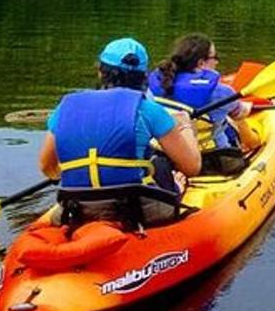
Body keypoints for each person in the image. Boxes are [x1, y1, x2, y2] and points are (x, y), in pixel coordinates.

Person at [38, 37, 201, 225]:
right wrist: (185, 126)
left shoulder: (65, 108)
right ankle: (176, 189)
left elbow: (46, 167)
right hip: (135, 211)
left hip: (76, 208)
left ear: (100, 72)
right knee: (161, 164)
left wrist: (83, 180)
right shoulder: (149, 109)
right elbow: (192, 167)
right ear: (143, 76)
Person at [147, 33, 258, 155]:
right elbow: (240, 114)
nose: (217, 62)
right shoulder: (221, 92)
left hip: (164, 154)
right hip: (213, 157)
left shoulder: (156, 86)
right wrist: (248, 106)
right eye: (215, 57)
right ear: (201, 63)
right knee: (231, 123)